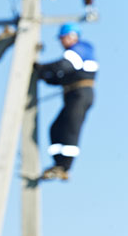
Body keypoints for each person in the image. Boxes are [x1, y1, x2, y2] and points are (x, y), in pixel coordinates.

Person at [35, 22, 98, 181]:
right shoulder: (78, 52)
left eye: (63, 38)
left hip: (80, 95)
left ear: (72, 36)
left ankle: (65, 166)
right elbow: (64, 76)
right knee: (56, 129)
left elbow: (65, 66)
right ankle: (58, 164)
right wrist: (46, 76)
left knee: (71, 129)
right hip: (74, 93)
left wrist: (42, 68)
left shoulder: (80, 49)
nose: (61, 42)